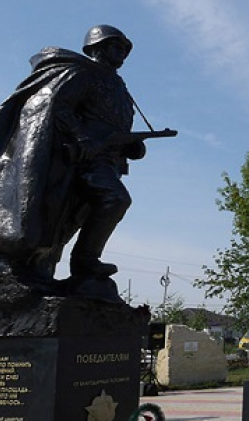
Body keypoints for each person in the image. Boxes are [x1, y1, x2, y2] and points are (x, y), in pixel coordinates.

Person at [0, 25, 156, 302]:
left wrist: (131, 144)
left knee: (76, 215)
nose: (122, 54)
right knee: (116, 199)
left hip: (105, 161)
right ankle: (85, 261)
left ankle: (77, 267)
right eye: (116, 47)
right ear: (96, 48)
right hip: (79, 158)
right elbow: (57, 104)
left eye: (125, 49)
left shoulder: (119, 87)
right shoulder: (84, 73)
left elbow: (112, 125)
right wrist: (82, 138)